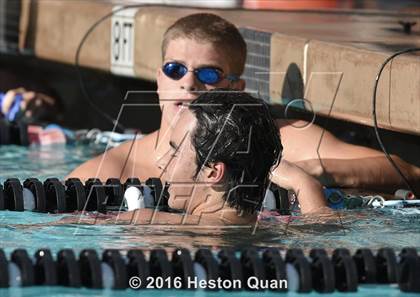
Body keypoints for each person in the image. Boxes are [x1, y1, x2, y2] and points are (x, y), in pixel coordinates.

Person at [67, 13, 420, 208]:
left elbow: (404, 169)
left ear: (236, 88)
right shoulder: (116, 166)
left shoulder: (280, 141)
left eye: (208, 74)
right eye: (175, 69)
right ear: (159, 77)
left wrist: (310, 171)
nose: (189, 85)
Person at [113, 90, 329, 226]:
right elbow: (322, 226)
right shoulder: (277, 230)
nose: (162, 161)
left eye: (175, 152)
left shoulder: (145, 224)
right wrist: (303, 182)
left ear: (213, 172)